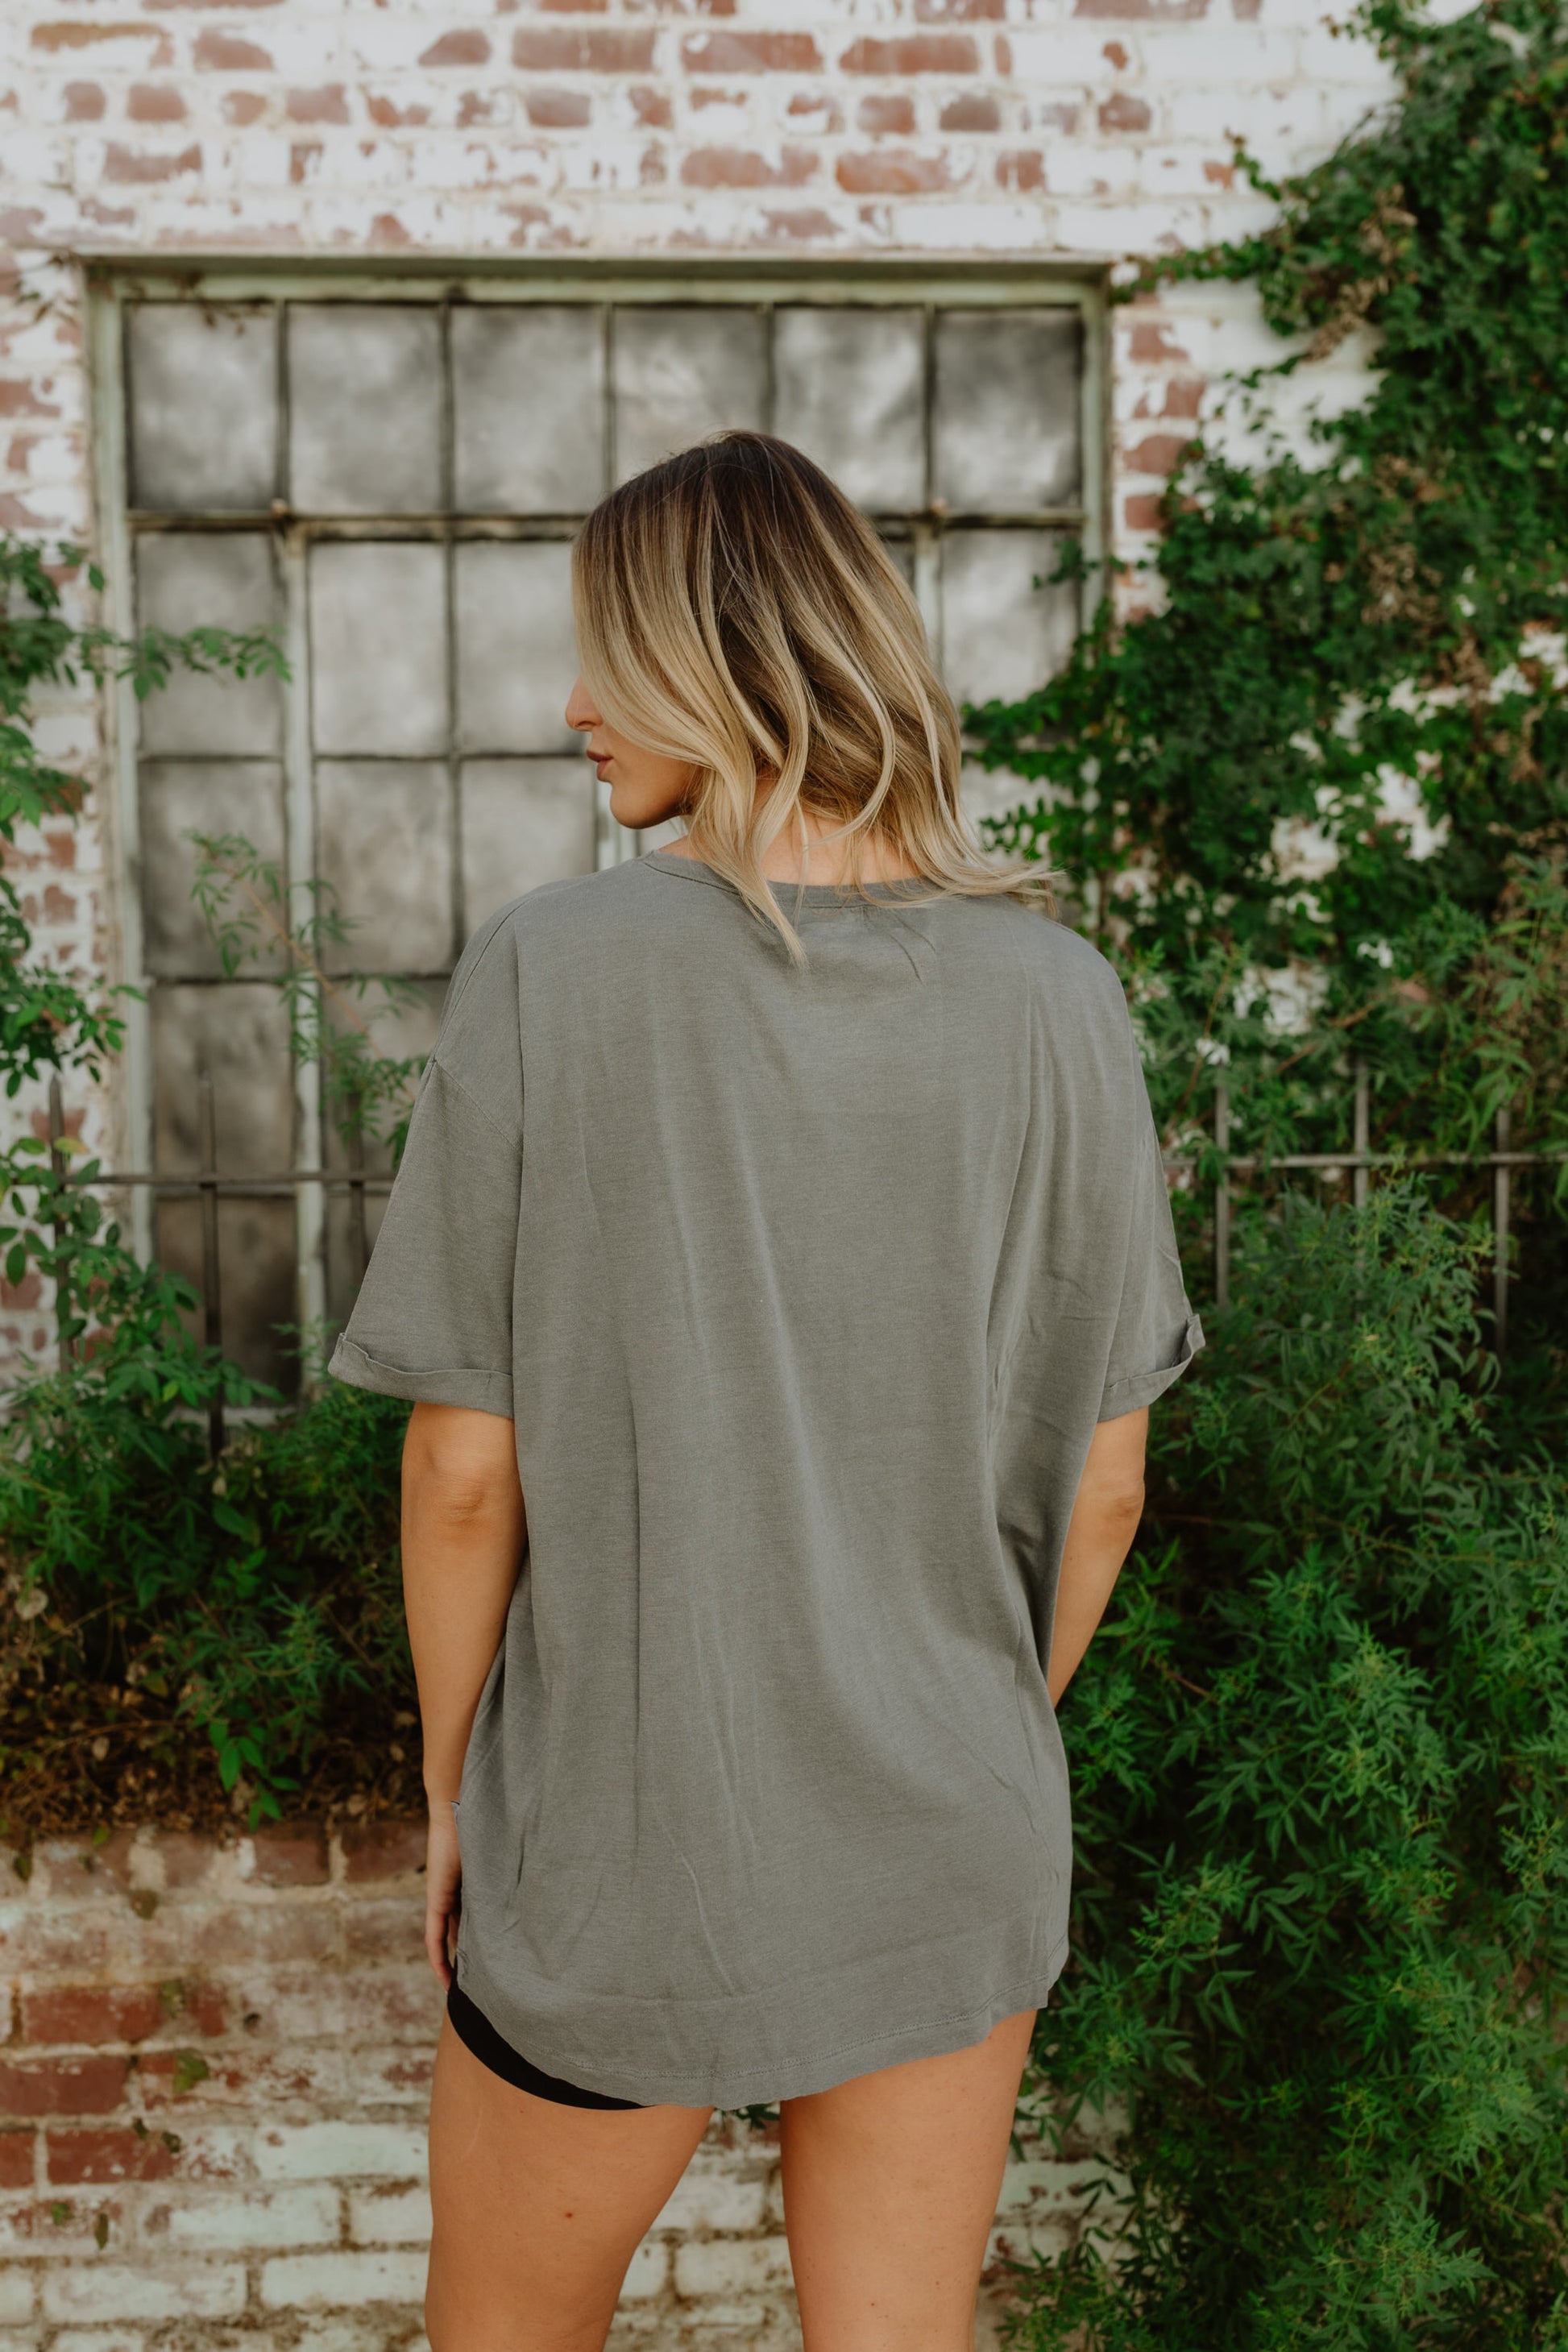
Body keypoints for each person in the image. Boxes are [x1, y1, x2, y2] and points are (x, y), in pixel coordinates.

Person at [329, 430, 1203, 2352]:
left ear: (713, 658)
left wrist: (457, 1783)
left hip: (622, 1832)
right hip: (946, 1820)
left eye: (604, 653)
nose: (572, 706)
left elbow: (464, 1470)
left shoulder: (554, 970)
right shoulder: (1061, 996)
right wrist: (957, 1718)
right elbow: (1108, 1481)